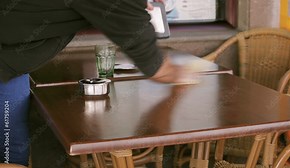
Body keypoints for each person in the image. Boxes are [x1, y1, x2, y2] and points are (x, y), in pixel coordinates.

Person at [0, 0, 187, 166]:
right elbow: (156, 66)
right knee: (11, 157)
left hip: (11, 65)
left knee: (11, 154)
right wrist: (183, 77)